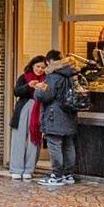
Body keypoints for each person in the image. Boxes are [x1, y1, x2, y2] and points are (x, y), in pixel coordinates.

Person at [35, 50, 81, 187]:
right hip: (70, 114)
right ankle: (68, 174)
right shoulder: (72, 74)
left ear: (49, 62)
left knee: (55, 145)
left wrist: (38, 90)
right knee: (68, 145)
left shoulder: (53, 76)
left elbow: (45, 96)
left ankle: (57, 175)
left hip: (54, 116)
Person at [8, 55, 46, 181]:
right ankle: (16, 169)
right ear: (32, 66)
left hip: (38, 110)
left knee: (34, 140)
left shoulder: (46, 79)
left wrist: (44, 90)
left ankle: (29, 169)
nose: (40, 69)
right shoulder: (24, 77)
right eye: (38, 66)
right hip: (23, 109)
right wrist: (29, 85)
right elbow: (16, 92)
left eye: (42, 67)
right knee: (18, 139)